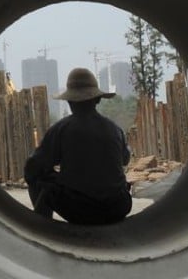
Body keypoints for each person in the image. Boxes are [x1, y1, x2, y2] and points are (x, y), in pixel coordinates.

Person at [24, 67, 132, 224]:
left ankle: (43, 227)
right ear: (98, 99)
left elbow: (32, 167)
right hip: (117, 207)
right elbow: (125, 160)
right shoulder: (115, 129)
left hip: (79, 210)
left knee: (39, 177)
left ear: (69, 101)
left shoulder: (61, 129)